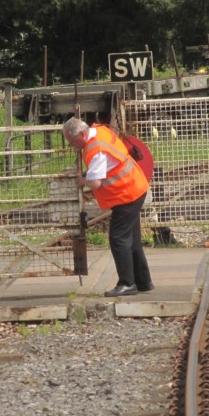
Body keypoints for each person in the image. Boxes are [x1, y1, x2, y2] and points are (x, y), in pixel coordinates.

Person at [62, 117, 154, 297]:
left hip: (126, 195)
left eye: (73, 141)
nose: (73, 146)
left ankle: (127, 283)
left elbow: (95, 183)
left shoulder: (96, 149)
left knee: (118, 239)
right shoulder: (100, 131)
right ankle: (143, 282)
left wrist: (83, 181)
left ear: (81, 134)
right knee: (132, 239)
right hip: (135, 187)